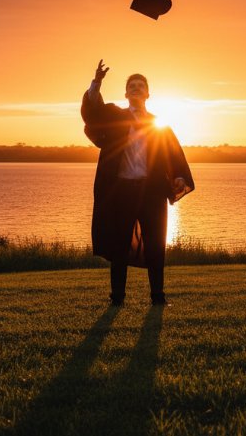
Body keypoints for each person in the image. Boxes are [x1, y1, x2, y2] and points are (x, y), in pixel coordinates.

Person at [81, 59, 194, 306]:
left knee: (156, 244)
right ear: (125, 93)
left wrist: (179, 176)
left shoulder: (158, 125)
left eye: (140, 86)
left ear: (147, 94)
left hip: (151, 192)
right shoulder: (114, 116)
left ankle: (158, 297)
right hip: (121, 190)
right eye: (131, 85)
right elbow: (91, 113)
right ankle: (117, 298)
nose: (135, 88)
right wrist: (96, 82)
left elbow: (173, 154)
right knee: (119, 247)